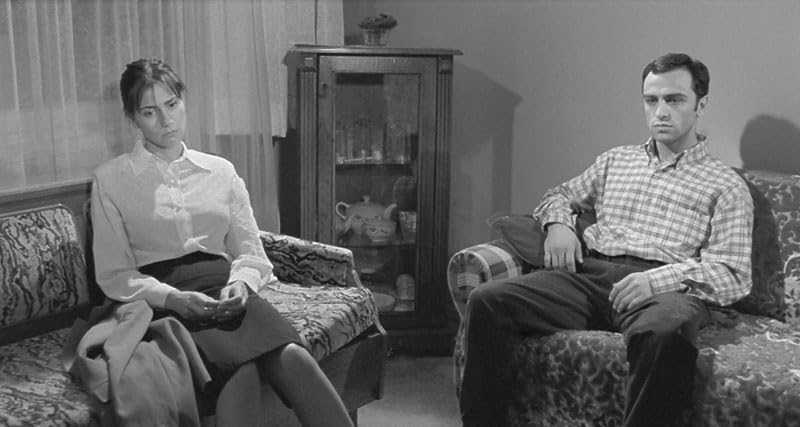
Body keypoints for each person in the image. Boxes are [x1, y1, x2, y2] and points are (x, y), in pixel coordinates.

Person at [460, 53, 754, 427]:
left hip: (664, 289)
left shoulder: (725, 185)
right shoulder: (616, 161)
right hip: (590, 277)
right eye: (651, 100)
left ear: (701, 104)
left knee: (664, 333)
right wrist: (559, 225)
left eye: (674, 99)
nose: (660, 112)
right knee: (488, 300)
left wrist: (655, 281)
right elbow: (559, 195)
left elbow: (732, 274)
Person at [87, 58, 354, 427]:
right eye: (149, 112)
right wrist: (174, 299)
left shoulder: (220, 171)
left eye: (172, 105)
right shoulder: (111, 180)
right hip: (162, 299)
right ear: (132, 118)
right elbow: (114, 273)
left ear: (184, 102)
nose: (166, 121)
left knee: (293, 356)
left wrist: (241, 284)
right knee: (239, 372)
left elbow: (251, 252)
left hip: (226, 289)